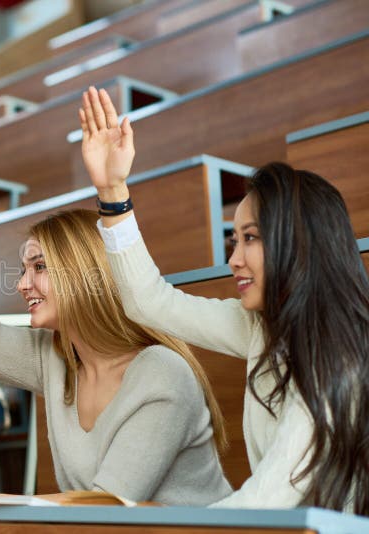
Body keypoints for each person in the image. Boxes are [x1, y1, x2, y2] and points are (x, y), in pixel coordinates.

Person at [0, 103, 233, 505]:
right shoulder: (55, 358)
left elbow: (106, 505)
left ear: (84, 273)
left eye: (39, 266)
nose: (21, 284)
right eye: (23, 269)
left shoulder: (162, 373)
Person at [81, 85, 369, 513]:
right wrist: (112, 192)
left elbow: (268, 499)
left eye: (250, 239)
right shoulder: (261, 328)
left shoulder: (339, 353)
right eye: (233, 241)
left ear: (298, 242)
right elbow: (149, 303)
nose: (234, 260)